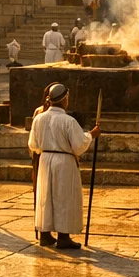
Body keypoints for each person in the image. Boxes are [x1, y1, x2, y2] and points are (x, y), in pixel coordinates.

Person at [28, 83, 97, 250]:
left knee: (47, 196)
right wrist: (91, 135)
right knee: (63, 197)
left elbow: (33, 144)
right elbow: (78, 145)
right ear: (65, 99)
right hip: (64, 162)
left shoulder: (39, 118)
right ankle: (63, 237)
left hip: (45, 159)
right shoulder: (68, 121)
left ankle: (45, 234)